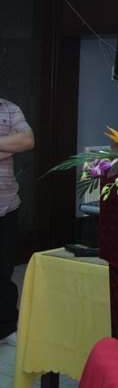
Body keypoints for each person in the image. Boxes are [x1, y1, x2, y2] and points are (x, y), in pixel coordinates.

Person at [0, 98, 34, 347]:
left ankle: (6, 327)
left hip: (6, 205)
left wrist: (17, 144)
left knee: (3, 271)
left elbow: (27, 141)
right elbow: (17, 142)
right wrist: (9, 145)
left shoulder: (9, 108)